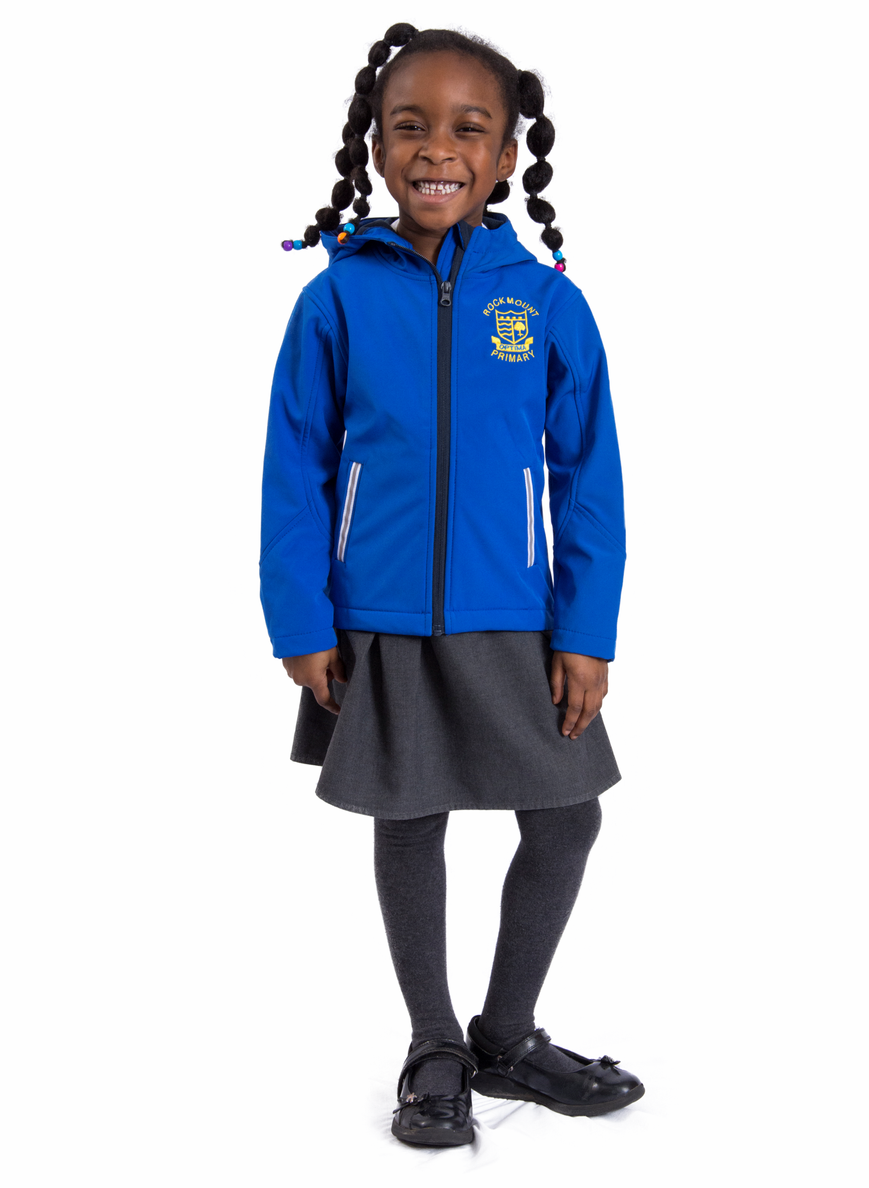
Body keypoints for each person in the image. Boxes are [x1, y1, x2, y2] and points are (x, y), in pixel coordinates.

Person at [259, 23, 644, 1147]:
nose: (437, 148)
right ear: (375, 147)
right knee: (408, 818)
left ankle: (506, 1035)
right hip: (376, 617)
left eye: (468, 129)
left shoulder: (548, 303)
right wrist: (300, 618)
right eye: (410, 126)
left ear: (507, 153)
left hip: (515, 616)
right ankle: (433, 1045)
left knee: (566, 817)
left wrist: (586, 630)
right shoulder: (335, 299)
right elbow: (294, 468)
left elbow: (589, 480)